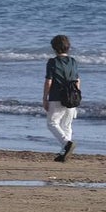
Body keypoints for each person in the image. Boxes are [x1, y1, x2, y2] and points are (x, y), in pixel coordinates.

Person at [43, 34, 80, 162]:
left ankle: (66, 144)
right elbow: (77, 80)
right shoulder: (73, 61)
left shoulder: (52, 62)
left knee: (52, 123)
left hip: (57, 96)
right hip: (72, 95)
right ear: (67, 47)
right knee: (67, 124)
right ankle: (64, 153)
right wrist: (78, 94)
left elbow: (49, 81)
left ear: (54, 48)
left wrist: (44, 97)